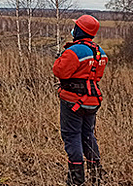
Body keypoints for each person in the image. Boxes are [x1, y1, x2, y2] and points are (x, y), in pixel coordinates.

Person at [53, 15, 107, 186]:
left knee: (71, 135)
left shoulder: (74, 51)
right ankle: (96, 174)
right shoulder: (100, 52)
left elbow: (59, 72)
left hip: (72, 101)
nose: (73, 29)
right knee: (88, 135)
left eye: (76, 26)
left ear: (80, 30)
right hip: (92, 101)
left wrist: (62, 56)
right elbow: (96, 76)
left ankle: (76, 180)